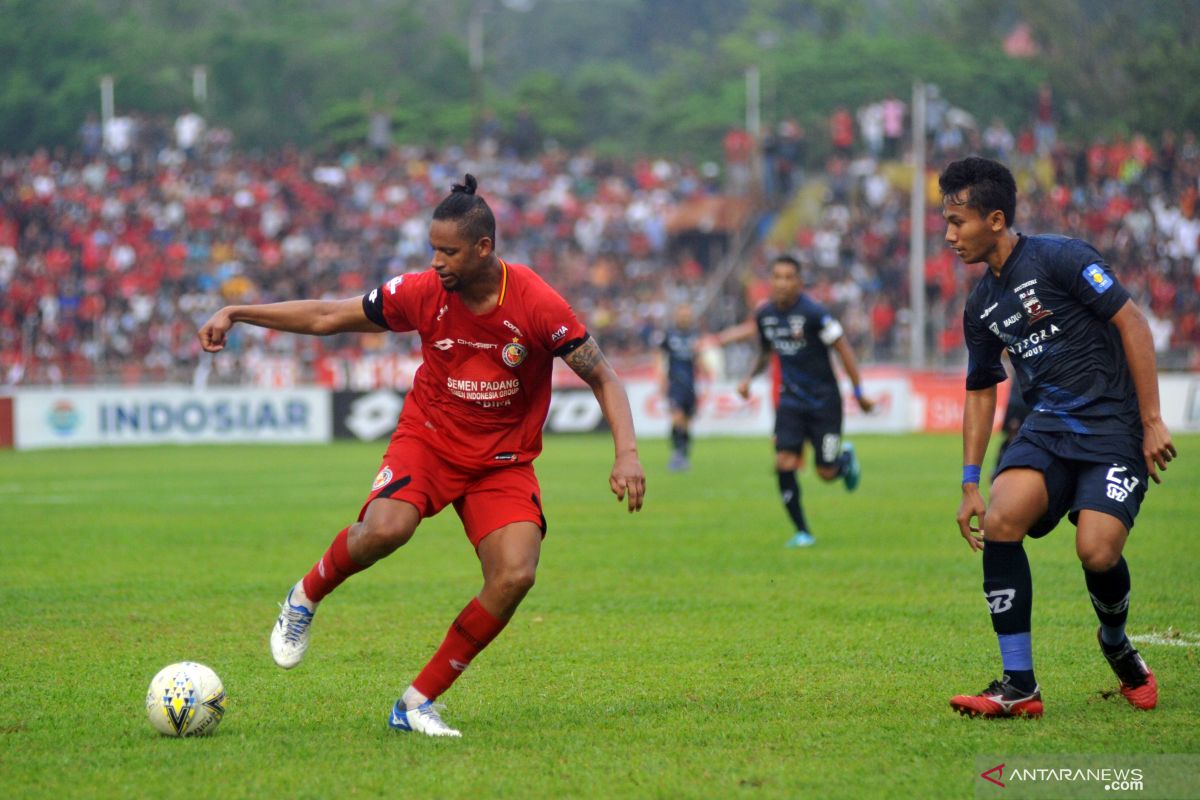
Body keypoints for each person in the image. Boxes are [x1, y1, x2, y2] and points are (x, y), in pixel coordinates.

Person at [198, 174, 645, 737]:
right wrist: (239, 312)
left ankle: (414, 704)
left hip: (500, 462)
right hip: (429, 439)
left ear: (484, 248)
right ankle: (305, 595)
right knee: (385, 530)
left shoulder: (534, 302)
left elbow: (604, 377)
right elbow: (327, 317)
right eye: (432, 248)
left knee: (514, 575)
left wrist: (626, 453)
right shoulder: (421, 291)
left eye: (448, 251)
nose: (436, 261)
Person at [942, 156, 1175, 719]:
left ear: (995, 220)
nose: (950, 236)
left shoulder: (1063, 257)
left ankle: (1115, 641)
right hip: (1047, 429)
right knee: (1001, 519)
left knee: (1096, 551)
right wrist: (971, 481)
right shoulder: (980, 305)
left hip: (1114, 431)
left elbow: (1133, 323)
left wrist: (1150, 421)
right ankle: (1019, 685)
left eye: (958, 222)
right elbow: (980, 390)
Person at [717, 255, 874, 548]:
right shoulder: (765, 315)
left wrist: (859, 392)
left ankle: (844, 461)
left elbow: (843, 349)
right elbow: (765, 351)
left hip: (824, 402)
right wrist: (748, 378)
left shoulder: (815, 314)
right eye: (777, 276)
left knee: (826, 473)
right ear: (771, 281)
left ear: (799, 282)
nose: (782, 282)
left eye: (789, 277)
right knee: (783, 462)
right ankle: (803, 531)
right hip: (790, 402)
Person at [656, 303, 701, 471]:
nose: (684, 317)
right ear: (676, 316)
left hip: (691, 384)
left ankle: (684, 455)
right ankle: (677, 455)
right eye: (682, 314)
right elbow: (659, 356)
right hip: (675, 383)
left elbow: (699, 359)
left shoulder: (694, 335)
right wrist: (660, 378)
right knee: (678, 418)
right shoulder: (669, 334)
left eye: (687, 315)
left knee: (687, 423)